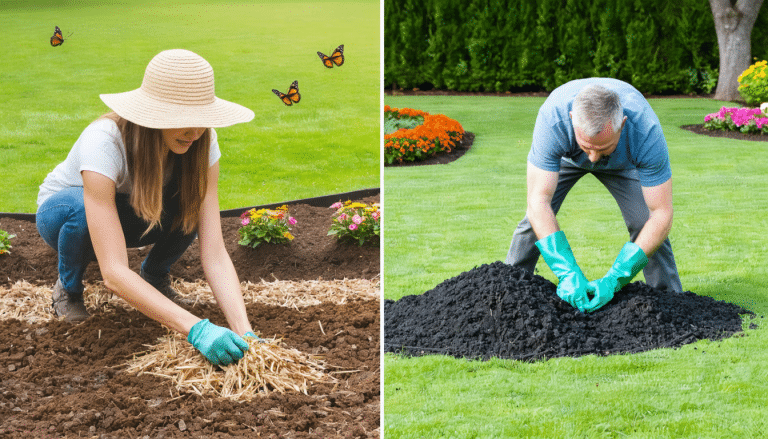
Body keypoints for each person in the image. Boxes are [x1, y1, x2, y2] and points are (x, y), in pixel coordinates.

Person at [36, 49, 258, 366]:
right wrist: (197, 330)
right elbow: (113, 272)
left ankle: (154, 276)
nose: (195, 132)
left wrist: (244, 331)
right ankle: (68, 289)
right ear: (156, 115)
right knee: (78, 210)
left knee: (190, 201)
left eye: (202, 120)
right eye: (185, 120)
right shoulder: (104, 140)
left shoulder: (202, 143)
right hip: (65, 215)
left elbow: (215, 251)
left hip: (132, 212)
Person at [505, 78, 682, 313]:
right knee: (533, 223)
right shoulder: (554, 119)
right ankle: (506, 292)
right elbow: (538, 202)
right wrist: (567, 271)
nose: (593, 159)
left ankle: (668, 302)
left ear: (623, 124)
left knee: (644, 221)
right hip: (567, 158)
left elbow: (661, 213)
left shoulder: (644, 131)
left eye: (602, 148)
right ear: (571, 120)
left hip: (623, 163)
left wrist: (616, 278)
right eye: (587, 146)